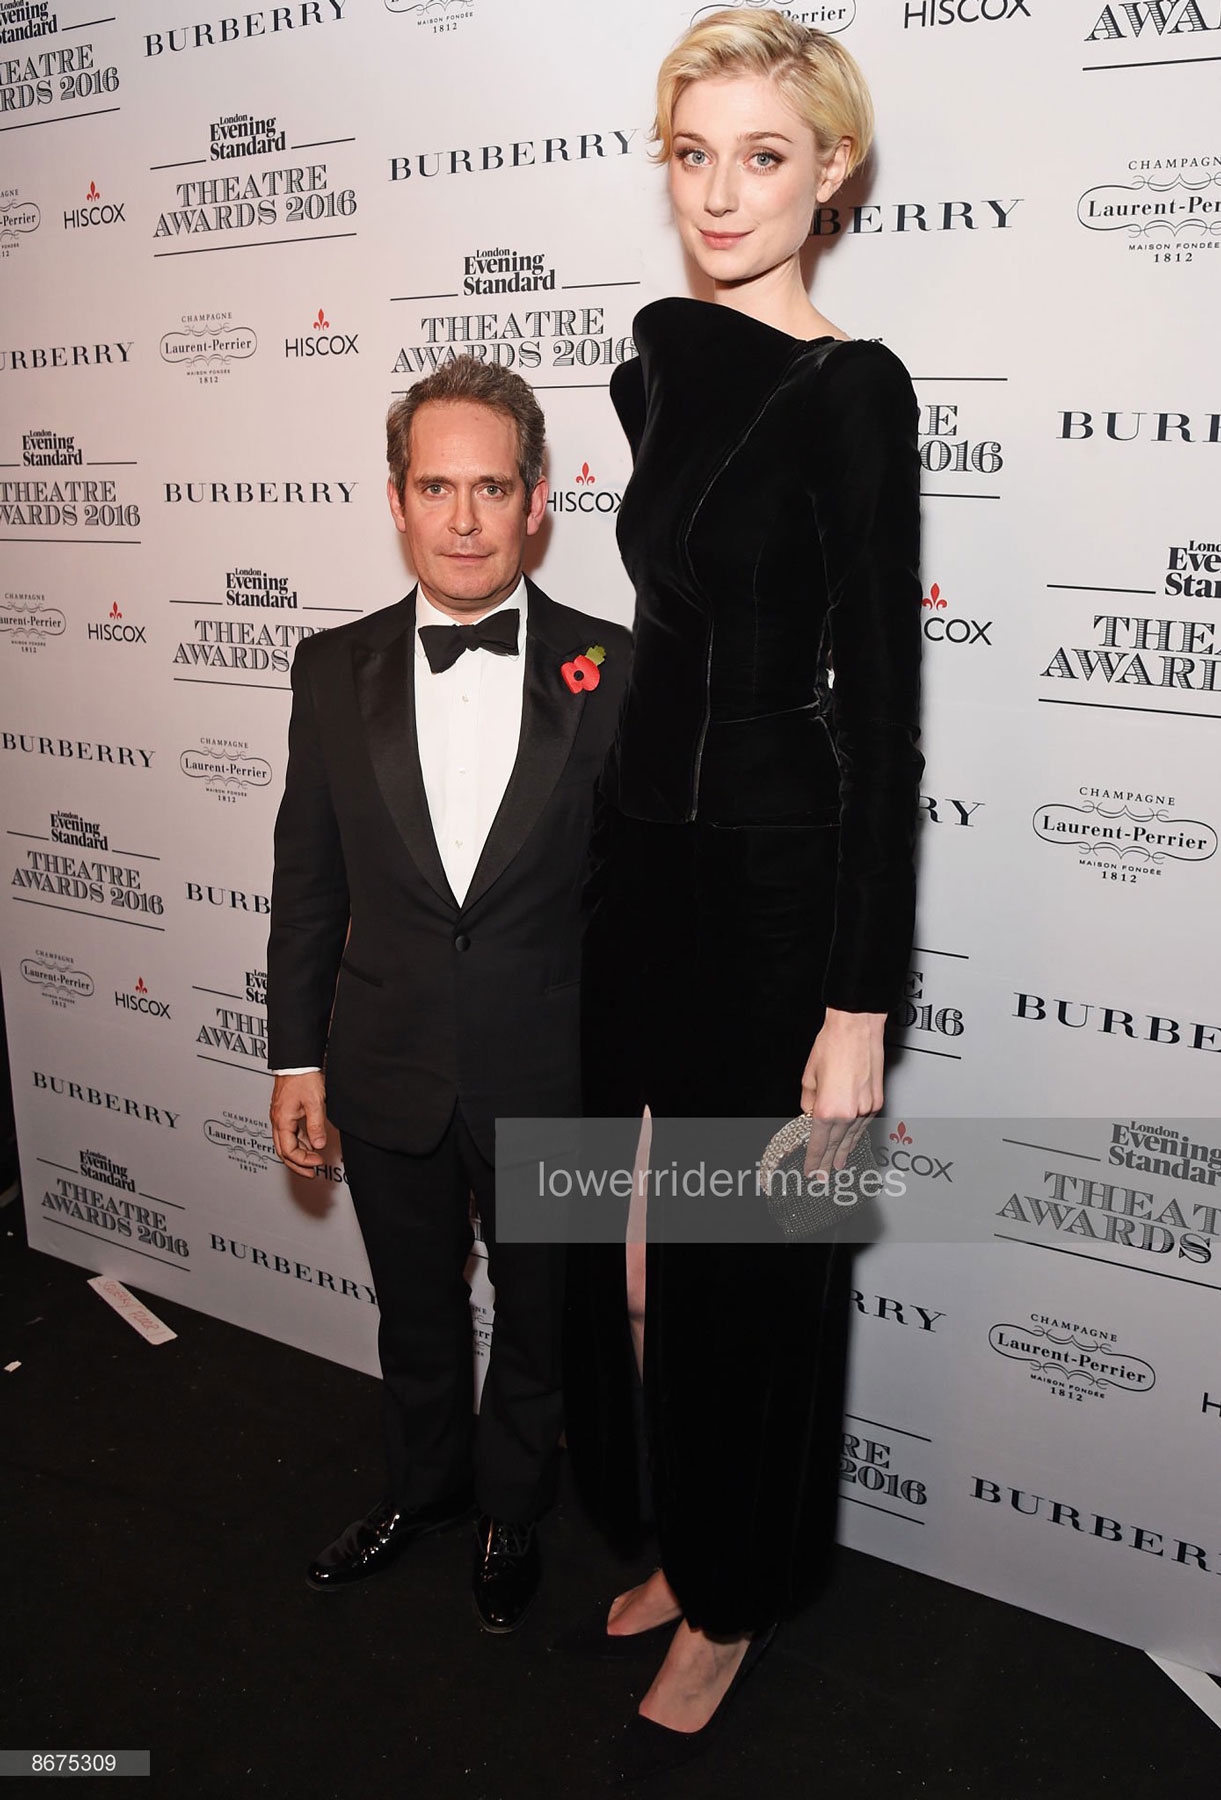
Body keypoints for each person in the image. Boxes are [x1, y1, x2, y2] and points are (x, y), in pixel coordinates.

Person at [560, 9, 924, 1778]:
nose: (719, 193)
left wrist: (857, 1002)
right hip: (639, 862)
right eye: (692, 154)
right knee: (623, 1244)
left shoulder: (853, 390)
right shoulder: (658, 355)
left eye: (762, 156)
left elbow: (885, 711)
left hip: (776, 885)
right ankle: (675, 1525)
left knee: (748, 1269)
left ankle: (735, 1593)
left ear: (829, 170)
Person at [266, 357, 630, 1634]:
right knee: (413, 1310)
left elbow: (644, 909)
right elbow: (307, 881)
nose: (464, 520)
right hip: (385, 1062)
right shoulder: (331, 668)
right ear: (396, 499)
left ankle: (511, 1508)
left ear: (538, 500)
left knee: (539, 1319)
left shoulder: (616, 668)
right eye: (437, 487)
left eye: (492, 488)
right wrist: (294, 1058)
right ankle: (422, 1489)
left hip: (556, 1074)